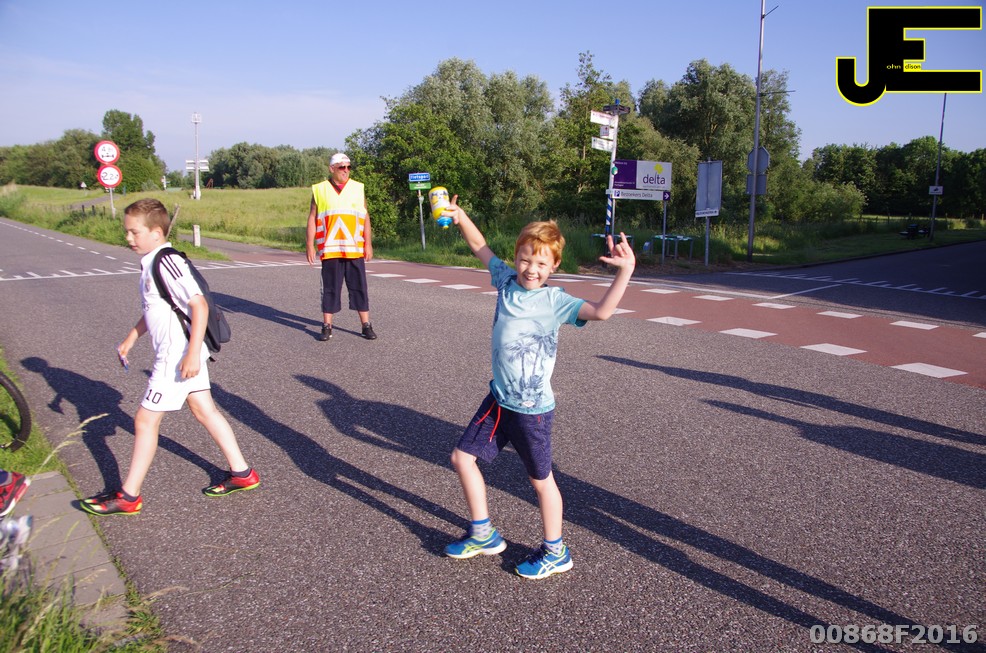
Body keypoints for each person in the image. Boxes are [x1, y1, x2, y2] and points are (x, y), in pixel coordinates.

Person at [441, 195, 635, 579]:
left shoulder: (555, 301)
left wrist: (625, 271)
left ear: (554, 266)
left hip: (532, 411)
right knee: (462, 458)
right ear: (515, 258)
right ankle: (483, 533)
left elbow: (602, 312)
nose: (532, 269)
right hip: (499, 399)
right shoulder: (504, 281)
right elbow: (480, 247)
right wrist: (461, 216)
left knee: (541, 482)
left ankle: (556, 551)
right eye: (525, 259)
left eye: (542, 263)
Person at [81, 199, 259, 516]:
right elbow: (157, 308)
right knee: (204, 410)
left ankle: (129, 496)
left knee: (144, 420)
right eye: (127, 232)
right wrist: (132, 337)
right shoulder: (150, 261)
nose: (128, 238)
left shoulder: (166, 261)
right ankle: (242, 473)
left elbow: (198, 305)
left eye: (134, 232)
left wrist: (191, 354)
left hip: (177, 356)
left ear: (156, 232)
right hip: (182, 352)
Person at [306, 152, 377, 342]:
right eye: (342, 167)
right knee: (330, 288)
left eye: (348, 167)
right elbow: (312, 217)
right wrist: (310, 244)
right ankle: (327, 326)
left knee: (359, 287)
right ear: (332, 169)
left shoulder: (357, 188)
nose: (346, 170)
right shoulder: (320, 189)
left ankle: (366, 325)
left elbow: (365, 217)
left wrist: (368, 243)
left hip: (354, 248)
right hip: (330, 248)